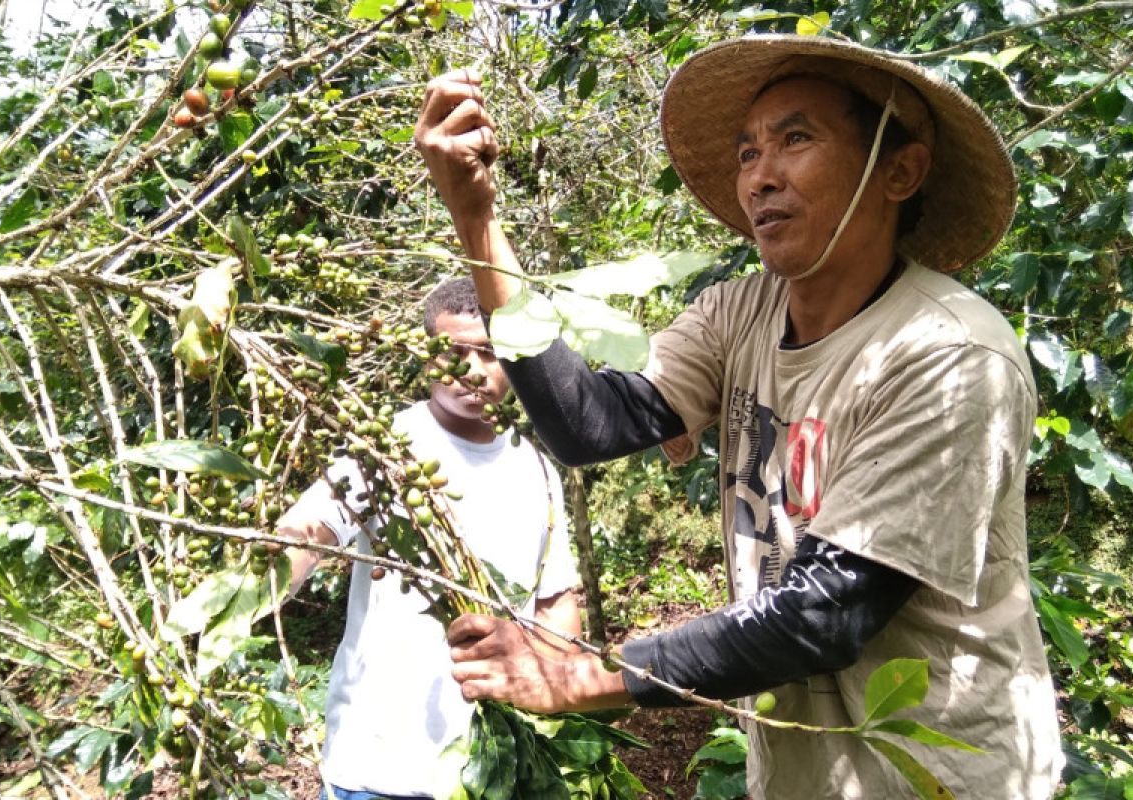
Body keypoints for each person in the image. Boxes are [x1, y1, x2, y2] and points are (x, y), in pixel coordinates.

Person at [414, 34, 1063, 799]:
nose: (760, 176)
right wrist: (477, 218)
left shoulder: (948, 355)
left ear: (899, 172)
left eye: (795, 138)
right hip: (800, 777)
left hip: (941, 778)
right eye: (748, 151)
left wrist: (579, 673)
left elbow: (823, 613)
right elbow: (588, 423)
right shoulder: (740, 312)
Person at [275, 277, 581, 800]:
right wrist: (260, 575)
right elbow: (307, 532)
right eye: (451, 351)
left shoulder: (537, 468)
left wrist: (551, 691)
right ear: (424, 357)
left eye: (487, 353)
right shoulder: (386, 448)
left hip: (489, 772)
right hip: (377, 770)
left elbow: (555, 602)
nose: (469, 370)